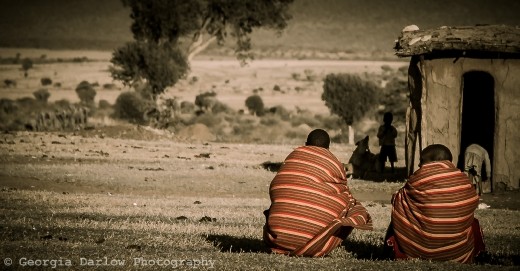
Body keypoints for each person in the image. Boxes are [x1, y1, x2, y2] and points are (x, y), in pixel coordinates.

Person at [263, 129, 373, 257]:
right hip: (316, 242)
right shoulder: (334, 162)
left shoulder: (294, 156)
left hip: (278, 239)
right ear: (328, 147)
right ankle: (319, 239)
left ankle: (287, 236)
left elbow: (276, 187)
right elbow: (344, 192)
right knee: (351, 205)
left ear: (306, 143)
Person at [384, 144, 485, 263]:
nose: (419, 165)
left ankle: (390, 252)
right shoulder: (464, 181)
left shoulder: (419, 177)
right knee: (472, 222)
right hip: (456, 254)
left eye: (422, 160)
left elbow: (398, 198)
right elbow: (471, 202)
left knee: (400, 213)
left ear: (433, 161)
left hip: (417, 251)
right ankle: (462, 254)